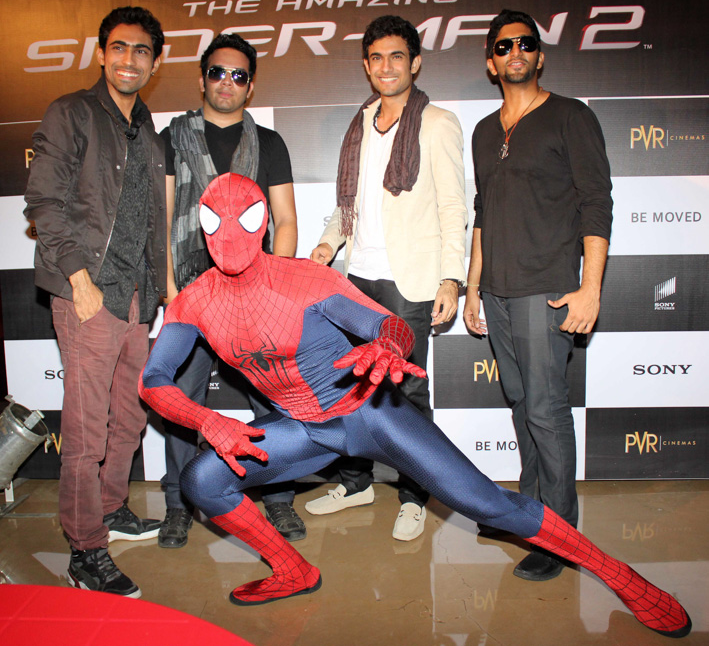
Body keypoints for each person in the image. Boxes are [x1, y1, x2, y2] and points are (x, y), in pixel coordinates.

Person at [140, 173, 689, 640]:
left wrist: (388, 345)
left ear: (262, 221)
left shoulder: (306, 279)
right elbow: (154, 380)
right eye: (215, 221)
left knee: (489, 504)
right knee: (202, 480)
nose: (229, 235)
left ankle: (621, 576)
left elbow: (389, 324)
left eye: (243, 219)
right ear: (201, 224)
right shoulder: (195, 301)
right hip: (303, 429)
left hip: (368, 413)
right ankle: (292, 570)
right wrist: (206, 419)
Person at [463, 10, 613, 582]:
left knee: (546, 411)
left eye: (525, 43)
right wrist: (473, 288)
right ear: (491, 62)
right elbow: (482, 215)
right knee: (522, 402)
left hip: (547, 289)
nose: (515, 52)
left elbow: (596, 203)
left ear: (540, 55)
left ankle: (561, 535)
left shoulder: (571, 116)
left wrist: (589, 287)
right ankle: (530, 515)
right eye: (503, 47)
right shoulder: (484, 131)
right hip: (497, 293)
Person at [23, 6, 167, 598]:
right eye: (120, 47)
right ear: (102, 53)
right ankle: (85, 549)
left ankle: (111, 510)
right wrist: (79, 281)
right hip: (88, 294)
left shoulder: (148, 130)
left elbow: (154, 219)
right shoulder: (72, 112)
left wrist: (160, 291)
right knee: (85, 433)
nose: (130, 59)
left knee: (129, 418)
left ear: (154, 63)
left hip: (137, 298)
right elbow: (44, 203)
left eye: (142, 50)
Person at [308, 15, 467, 541]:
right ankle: (355, 483)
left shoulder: (437, 123)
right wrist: (328, 243)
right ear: (366, 65)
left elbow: (453, 207)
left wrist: (452, 278)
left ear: (415, 63)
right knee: (353, 385)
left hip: (408, 280)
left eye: (397, 56)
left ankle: (415, 495)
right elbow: (347, 203)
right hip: (358, 277)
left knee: (408, 393)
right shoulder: (360, 122)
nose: (386, 66)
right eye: (376, 57)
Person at [158, 33, 304, 548]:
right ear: (202, 79)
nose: (227, 82)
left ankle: (279, 499)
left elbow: (285, 221)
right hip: (192, 295)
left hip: (252, 299)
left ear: (251, 85)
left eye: (238, 75)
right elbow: (164, 219)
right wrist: (172, 291)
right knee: (181, 405)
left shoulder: (270, 143)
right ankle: (178, 504)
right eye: (217, 72)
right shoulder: (172, 138)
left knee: (274, 403)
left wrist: (273, 289)